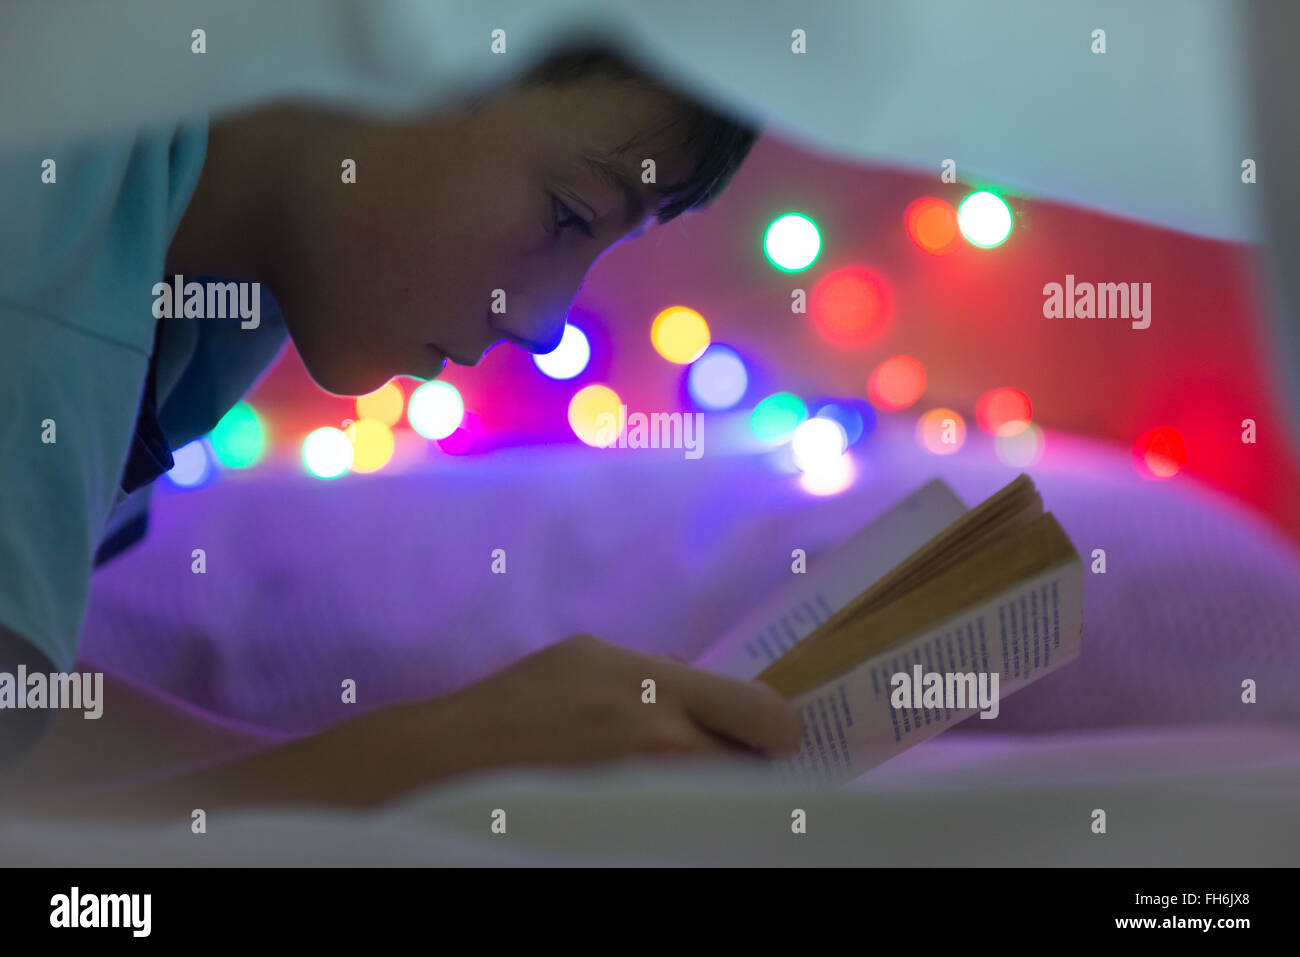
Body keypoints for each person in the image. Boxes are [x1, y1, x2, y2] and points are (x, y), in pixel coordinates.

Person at [0, 47, 805, 816]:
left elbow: (23, 733)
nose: (546, 325)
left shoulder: (200, 275)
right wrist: (432, 753)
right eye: (567, 214)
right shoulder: (43, 293)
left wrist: (434, 762)